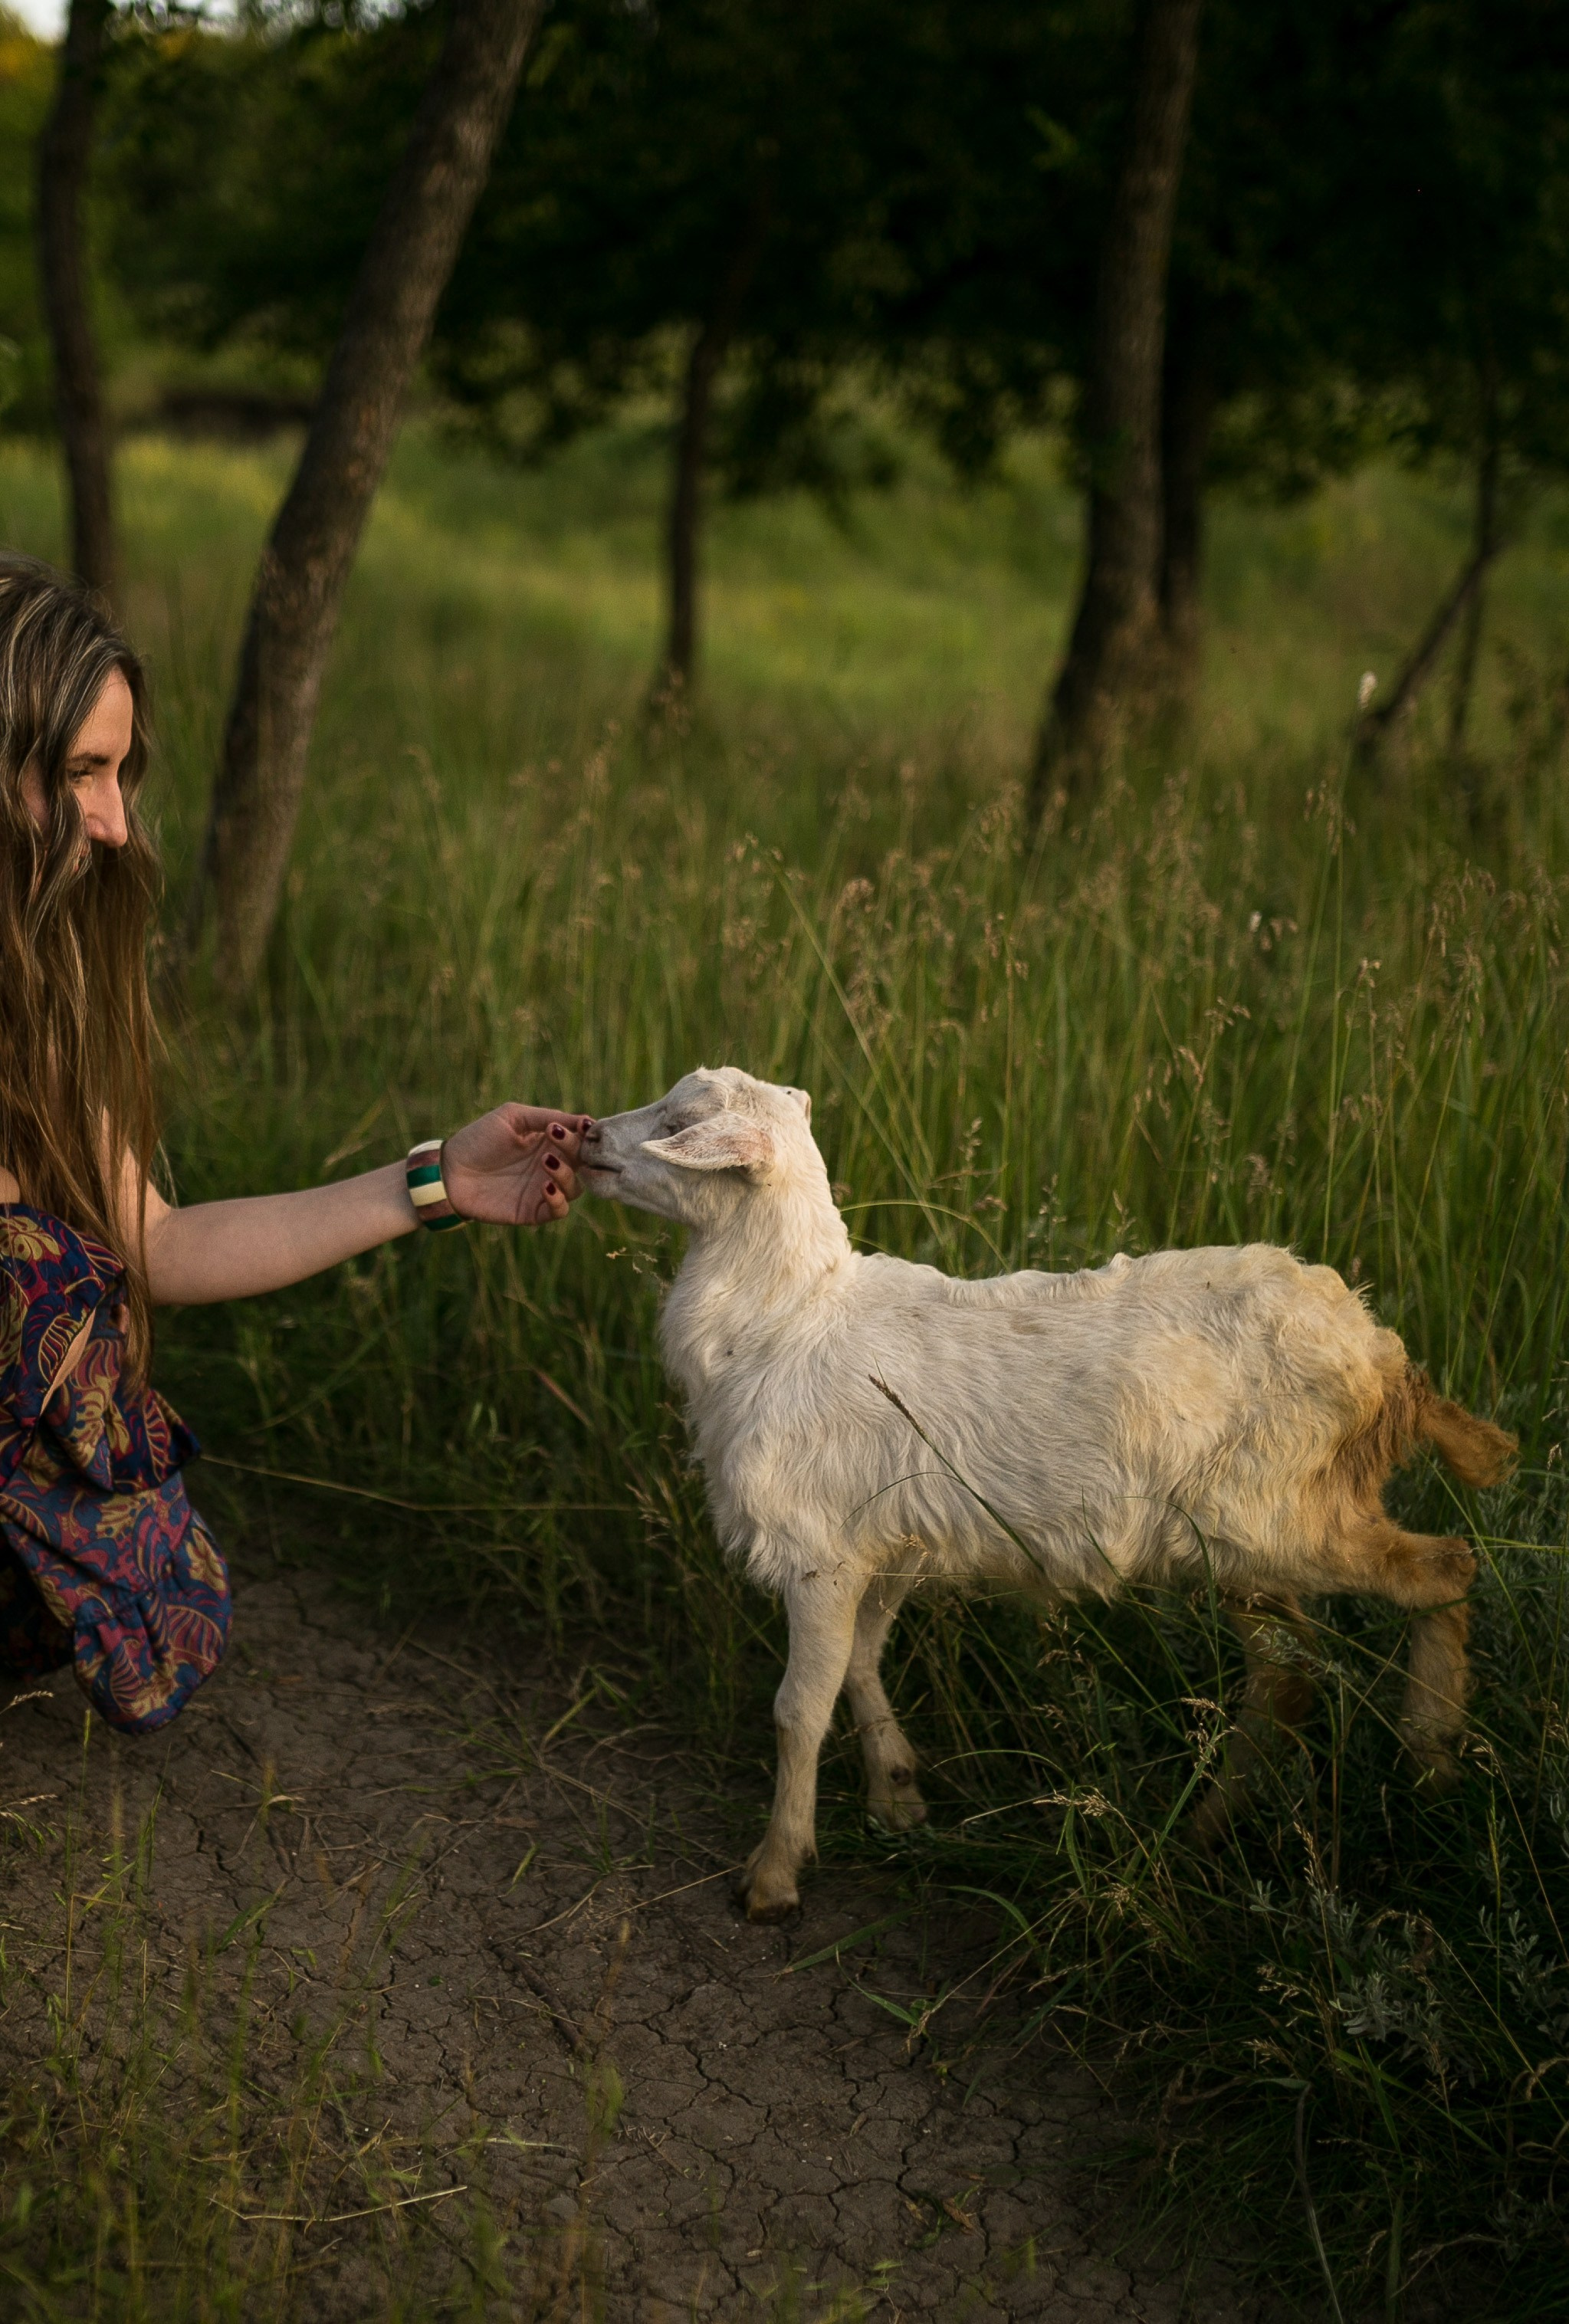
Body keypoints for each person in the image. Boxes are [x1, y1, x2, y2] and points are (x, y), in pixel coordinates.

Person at [0, 553, 589, 1733]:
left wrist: (432, 1182)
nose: (117, 824)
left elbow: (157, 1242)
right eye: (82, 774)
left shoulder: (33, 1007)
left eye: (123, 774)